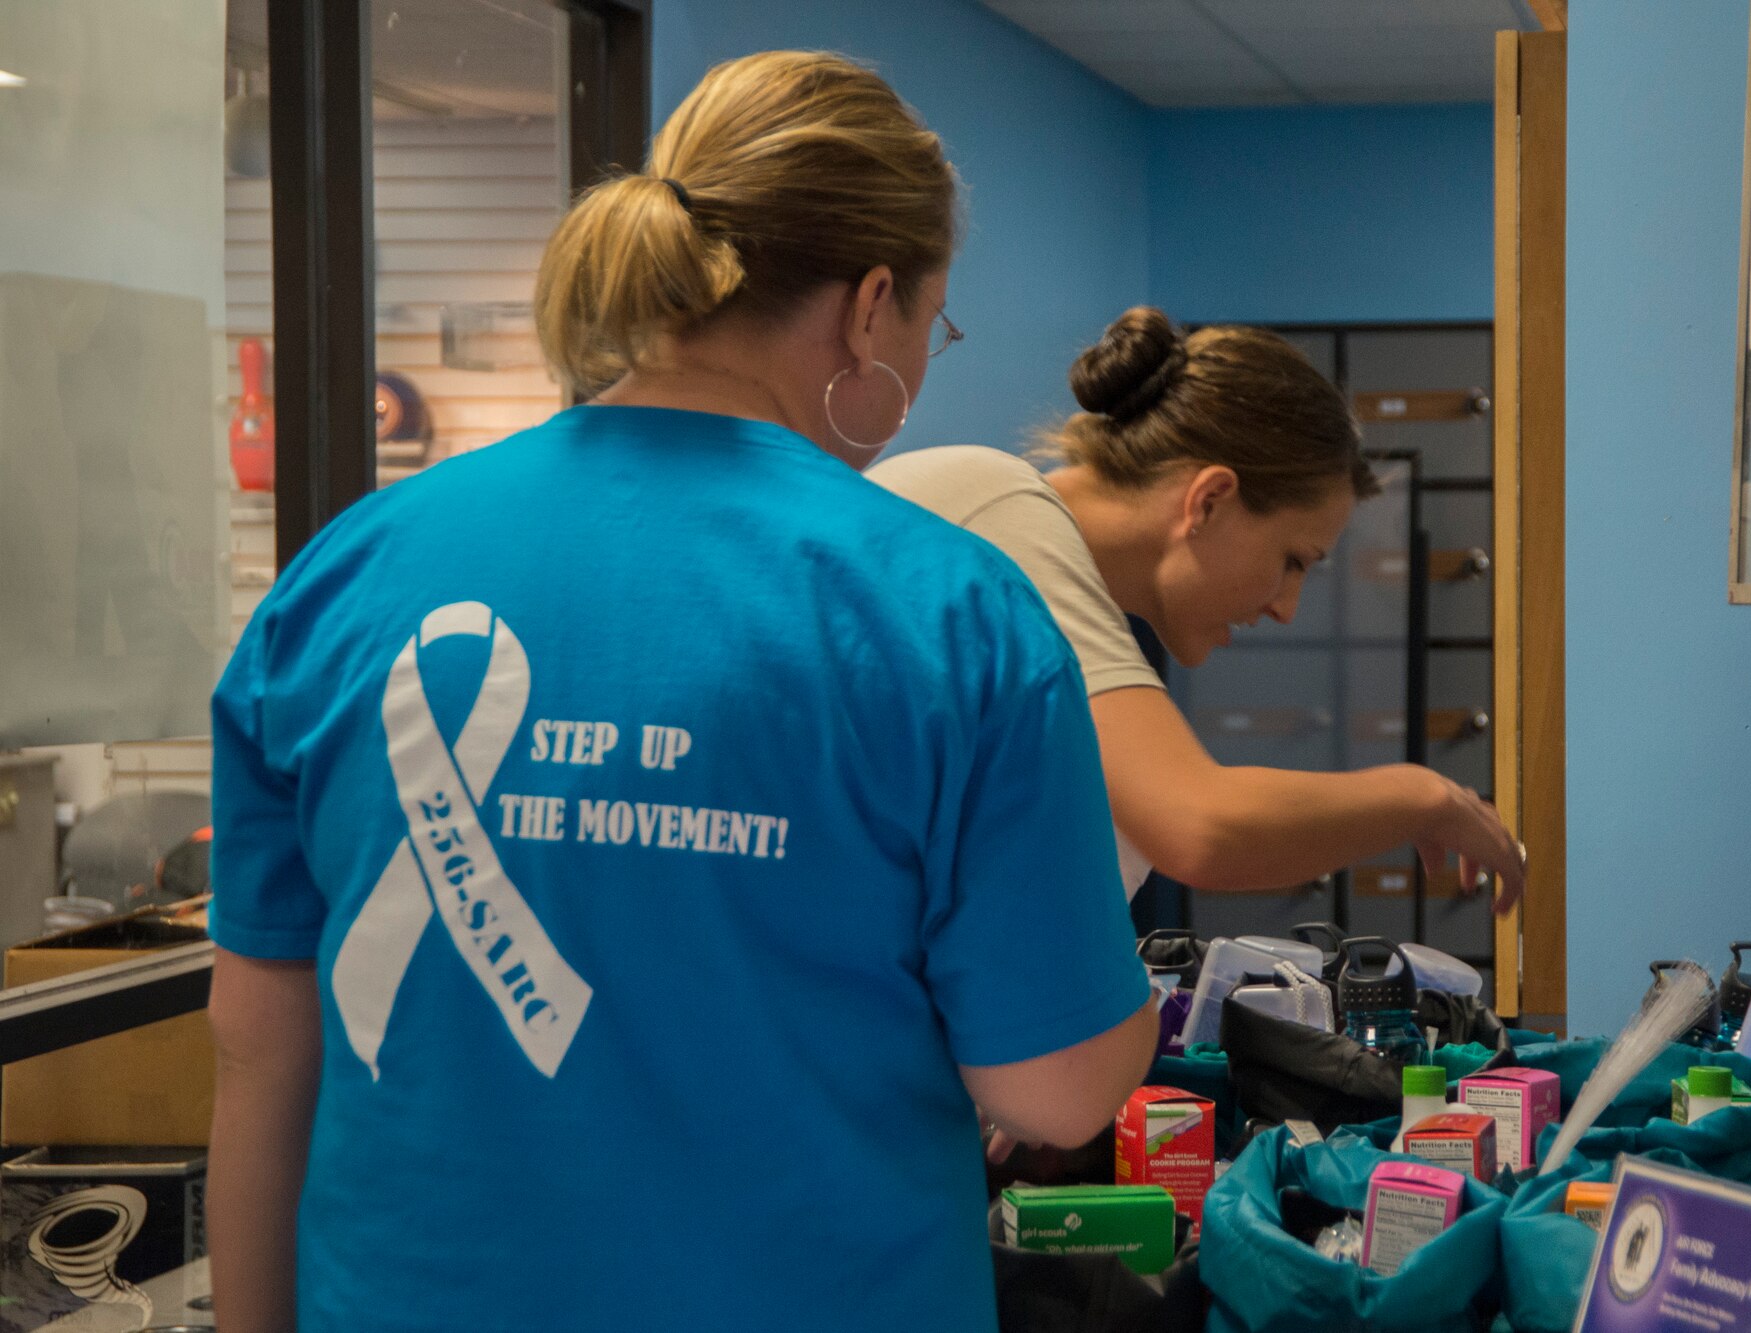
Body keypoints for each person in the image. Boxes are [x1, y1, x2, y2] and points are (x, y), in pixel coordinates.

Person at [205, 51, 1156, 1333]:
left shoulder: (346, 577)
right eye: (934, 324)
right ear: (871, 305)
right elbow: (1054, 1092)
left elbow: (262, 1061)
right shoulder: (948, 609)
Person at [870, 307, 1527, 909]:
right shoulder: (1001, 514)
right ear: (1209, 500)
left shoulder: (1049, 578)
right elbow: (1201, 828)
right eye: (1293, 560)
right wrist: (1421, 798)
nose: (1287, 608)